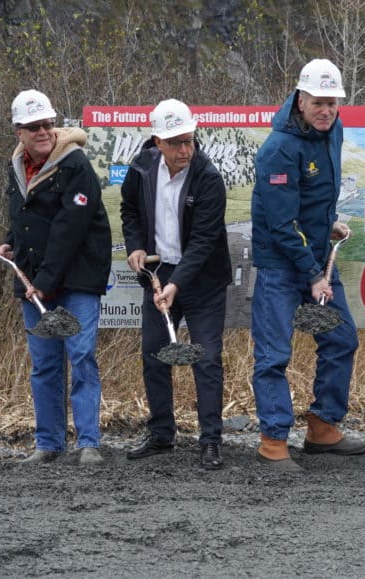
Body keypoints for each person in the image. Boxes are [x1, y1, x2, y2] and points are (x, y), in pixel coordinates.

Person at [250, 58, 365, 470]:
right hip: (281, 265)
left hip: (314, 255)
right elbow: (282, 225)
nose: (327, 110)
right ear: (300, 99)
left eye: (333, 102)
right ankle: (273, 441)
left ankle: (321, 426)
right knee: (274, 355)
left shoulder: (331, 131)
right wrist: (315, 276)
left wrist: (326, 225)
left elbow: (313, 197)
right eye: (319, 102)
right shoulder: (277, 148)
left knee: (342, 339)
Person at [0, 89, 112, 465]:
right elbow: (26, 219)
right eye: (33, 126)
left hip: (75, 281)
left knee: (81, 356)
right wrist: (11, 244)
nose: (43, 131)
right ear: (18, 131)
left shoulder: (75, 165)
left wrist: (43, 279)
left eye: (47, 124)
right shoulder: (16, 167)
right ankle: (48, 444)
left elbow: (68, 229)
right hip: (36, 284)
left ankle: (88, 442)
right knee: (44, 363)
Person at [119, 99, 232, 470]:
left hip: (202, 280)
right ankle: (162, 434)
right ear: (157, 143)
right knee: (154, 354)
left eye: (189, 140)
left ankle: (211, 440)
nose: (185, 150)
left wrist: (177, 285)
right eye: (175, 143)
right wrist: (136, 245)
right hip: (158, 274)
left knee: (207, 358)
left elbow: (203, 242)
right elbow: (130, 210)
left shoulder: (209, 178)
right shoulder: (141, 168)